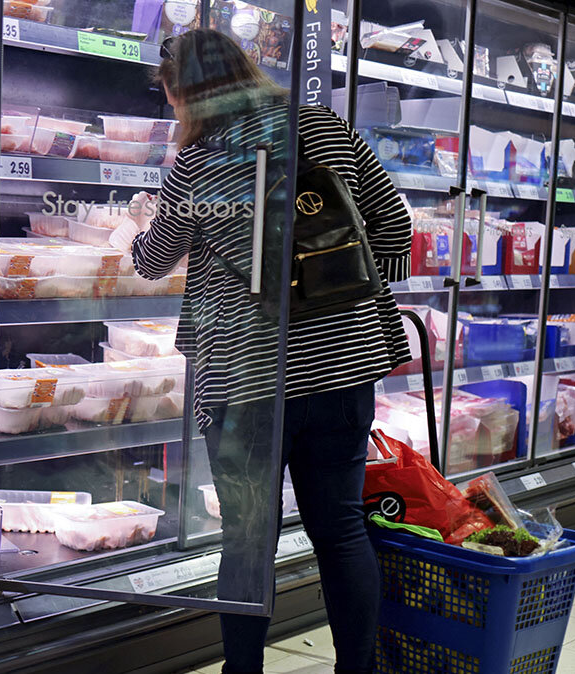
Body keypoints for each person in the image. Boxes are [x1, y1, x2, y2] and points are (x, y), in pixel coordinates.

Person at [108, 29, 413, 674]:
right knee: (341, 528)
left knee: (248, 541)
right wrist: (342, 293)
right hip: (344, 367)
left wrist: (138, 225)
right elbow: (396, 226)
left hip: (246, 380)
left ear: (184, 94)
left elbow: (152, 262)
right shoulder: (323, 125)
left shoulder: (199, 162)